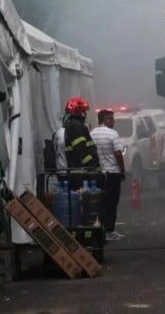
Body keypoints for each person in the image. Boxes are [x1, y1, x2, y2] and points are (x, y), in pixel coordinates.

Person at [90, 109, 126, 242]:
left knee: (99, 202)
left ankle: (100, 229)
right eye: (111, 118)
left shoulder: (92, 133)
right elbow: (118, 154)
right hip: (112, 173)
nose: (113, 121)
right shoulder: (113, 134)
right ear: (105, 119)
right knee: (111, 203)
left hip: (97, 174)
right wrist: (122, 170)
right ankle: (110, 230)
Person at [62, 96, 100, 172]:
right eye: (84, 111)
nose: (85, 114)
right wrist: (92, 167)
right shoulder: (77, 126)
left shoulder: (73, 125)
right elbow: (81, 150)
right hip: (83, 172)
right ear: (79, 112)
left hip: (79, 171)